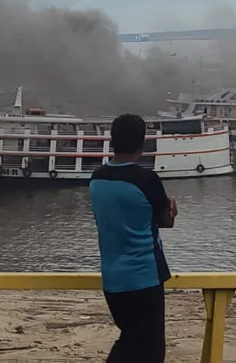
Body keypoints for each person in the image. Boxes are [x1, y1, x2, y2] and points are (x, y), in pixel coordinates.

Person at [89, 114, 177, 363]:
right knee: (148, 350)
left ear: (112, 141)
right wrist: (172, 210)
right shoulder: (146, 180)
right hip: (144, 277)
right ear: (141, 145)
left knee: (131, 339)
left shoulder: (97, 180)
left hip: (113, 280)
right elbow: (165, 221)